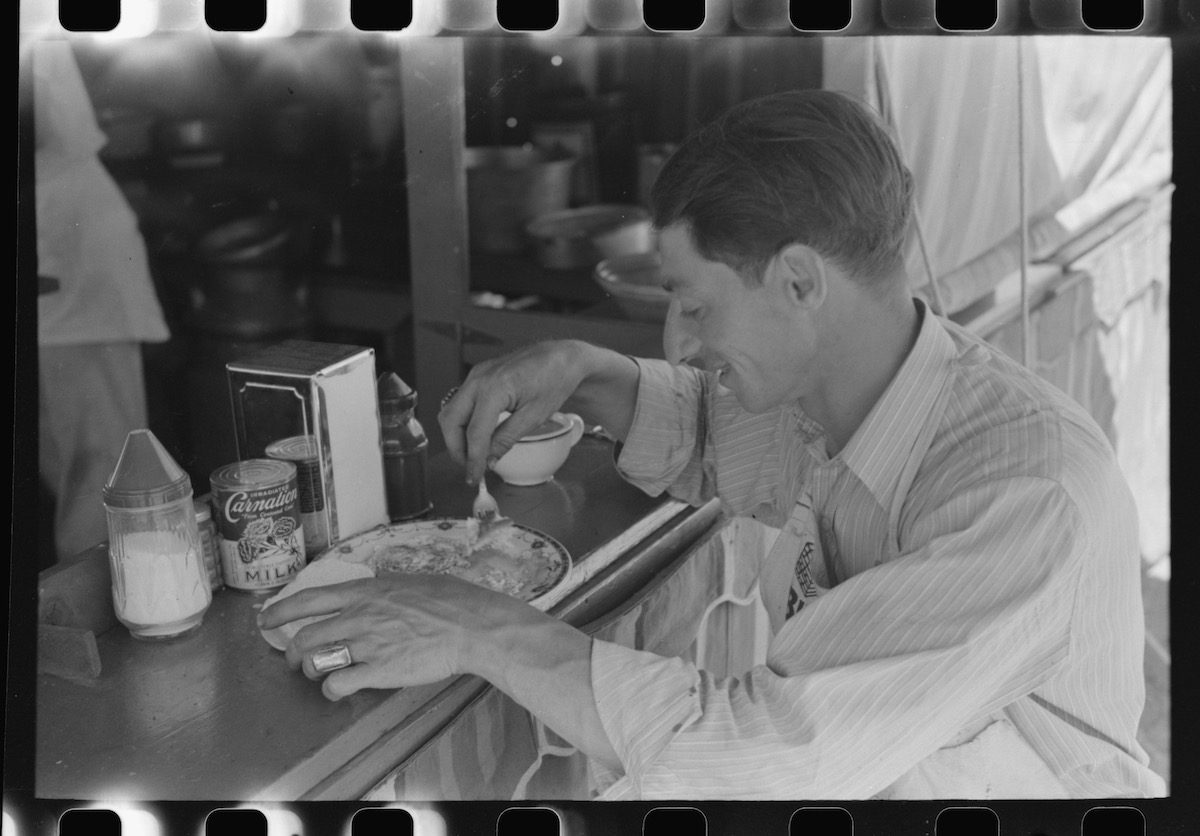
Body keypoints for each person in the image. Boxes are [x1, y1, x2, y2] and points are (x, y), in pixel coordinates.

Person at [260, 90, 1165, 799]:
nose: (680, 341)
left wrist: (479, 626)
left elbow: (775, 749)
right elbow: (704, 427)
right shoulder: (833, 393)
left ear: (800, 281)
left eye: (695, 305)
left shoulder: (1023, 489)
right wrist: (585, 369)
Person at [35, 40, 171, 562]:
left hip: (70, 265)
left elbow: (36, 121)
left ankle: (112, 618)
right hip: (58, 246)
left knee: (99, 472)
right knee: (67, 465)